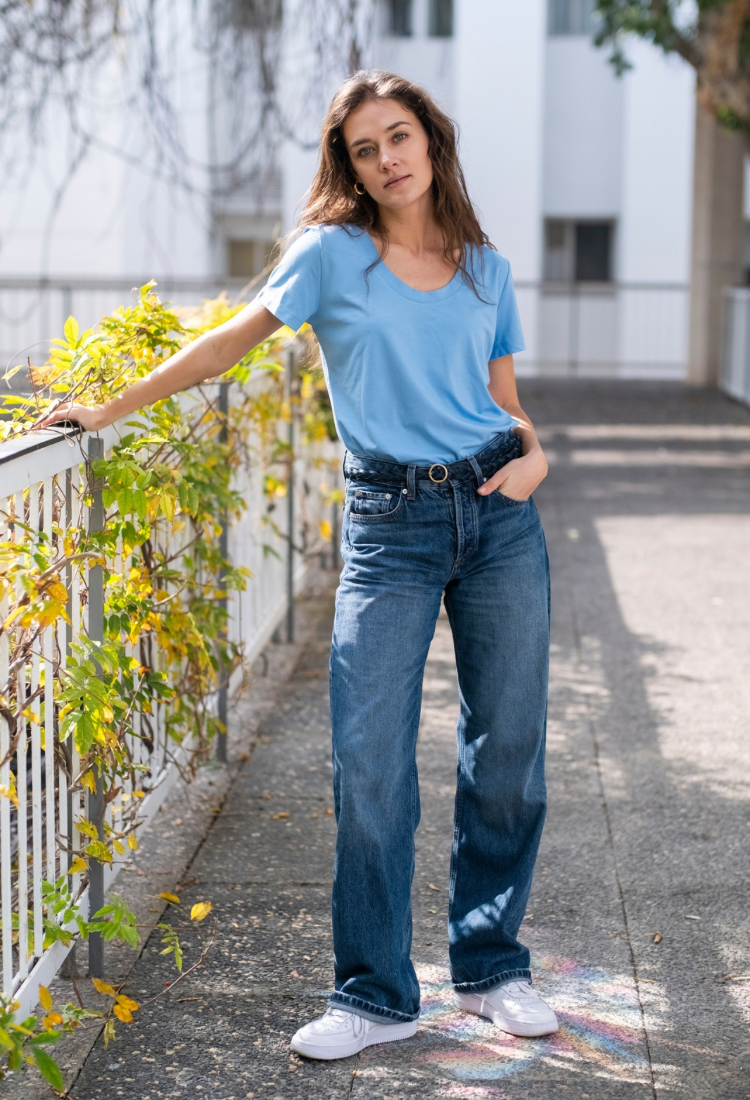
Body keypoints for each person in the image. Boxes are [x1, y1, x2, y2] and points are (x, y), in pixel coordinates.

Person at [39, 70, 557, 1060]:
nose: (387, 159)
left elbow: (506, 404)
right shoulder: (329, 255)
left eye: (398, 136)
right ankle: (375, 993)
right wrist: (109, 408)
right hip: (390, 523)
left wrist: (537, 458)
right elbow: (227, 345)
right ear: (349, 167)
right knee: (369, 762)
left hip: (499, 515)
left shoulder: (485, 266)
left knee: (509, 751)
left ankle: (493, 965)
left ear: (431, 140)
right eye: (366, 149)